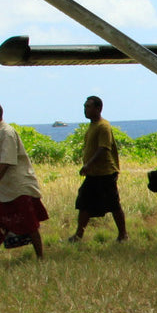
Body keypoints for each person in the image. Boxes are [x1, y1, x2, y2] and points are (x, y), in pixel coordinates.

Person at [0, 100, 48, 264]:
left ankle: (40, 258)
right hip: (5, 188)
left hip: (18, 187)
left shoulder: (7, 133)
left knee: (30, 223)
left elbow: (7, 162)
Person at [68, 95, 127, 243]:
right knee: (84, 202)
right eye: (85, 106)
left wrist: (88, 165)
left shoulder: (103, 126)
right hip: (94, 174)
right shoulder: (92, 125)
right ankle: (78, 235)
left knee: (113, 204)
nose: (85, 109)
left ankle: (123, 235)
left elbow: (104, 148)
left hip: (105, 172)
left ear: (98, 108)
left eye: (88, 106)